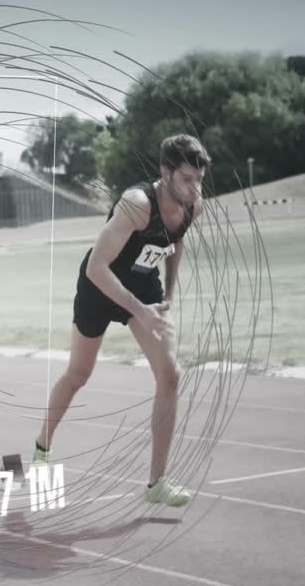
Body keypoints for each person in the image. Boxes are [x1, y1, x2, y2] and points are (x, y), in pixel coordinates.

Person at [31, 133, 208, 507]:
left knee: (170, 375)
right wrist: (138, 310)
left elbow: (176, 244)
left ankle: (156, 483)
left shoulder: (194, 205)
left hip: (144, 287)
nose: (196, 188)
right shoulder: (137, 203)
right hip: (100, 287)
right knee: (79, 374)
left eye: (200, 179)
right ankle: (42, 447)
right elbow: (97, 267)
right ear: (166, 173)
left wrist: (167, 298)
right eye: (188, 179)